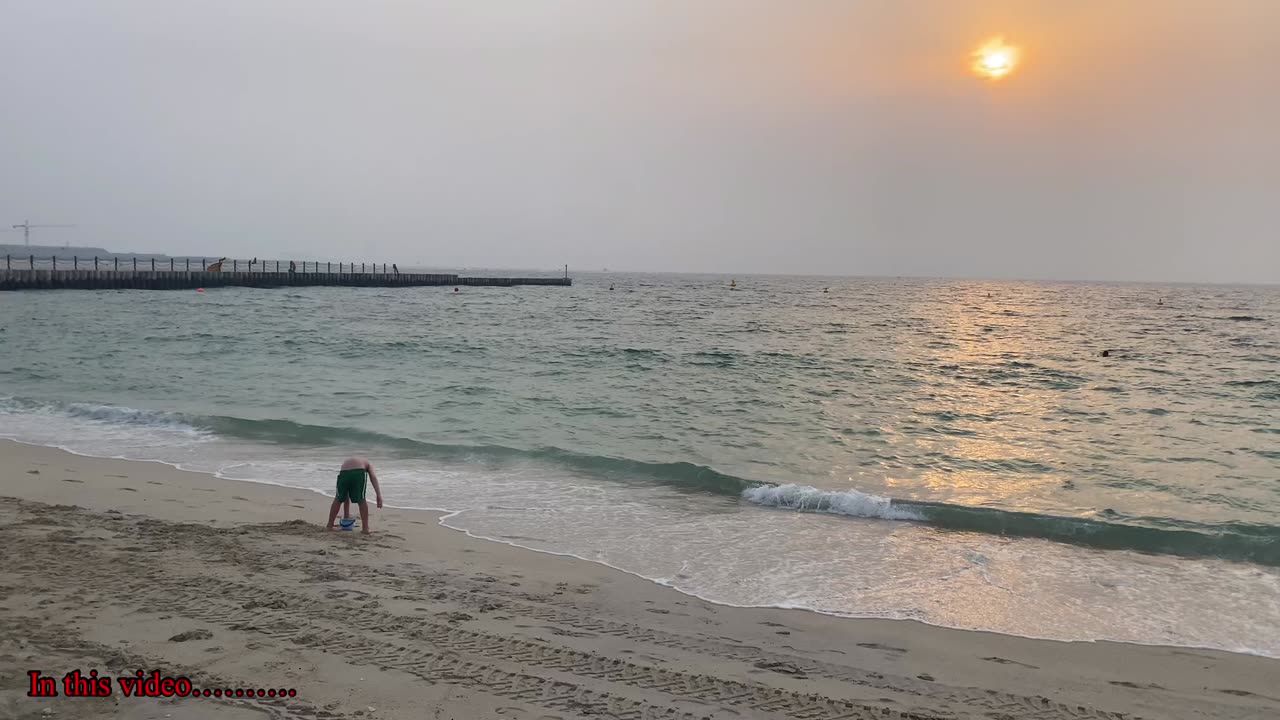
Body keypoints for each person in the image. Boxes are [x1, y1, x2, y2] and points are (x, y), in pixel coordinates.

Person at [326, 457, 383, 534]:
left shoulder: (349, 461)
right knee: (361, 499)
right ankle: (365, 528)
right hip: (358, 473)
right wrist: (378, 495)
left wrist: (346, 517)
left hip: (343, 473)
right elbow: (373, 477)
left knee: (338, 498)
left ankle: (329, 526)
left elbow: (346, 496)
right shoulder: (367, 463)